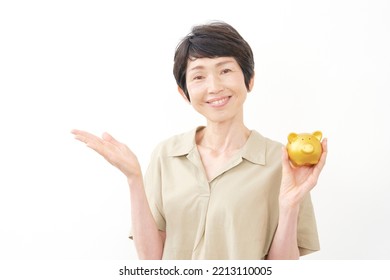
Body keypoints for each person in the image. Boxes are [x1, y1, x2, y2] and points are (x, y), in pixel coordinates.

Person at [71, 21, 327, 260]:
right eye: (198, 76)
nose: (214, 86)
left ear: (249, 79)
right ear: (184, 93)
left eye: (225, 70)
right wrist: (134, 179)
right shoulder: (166, 154)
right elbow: (151, 260)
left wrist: (290, 205)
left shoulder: (283, 163)